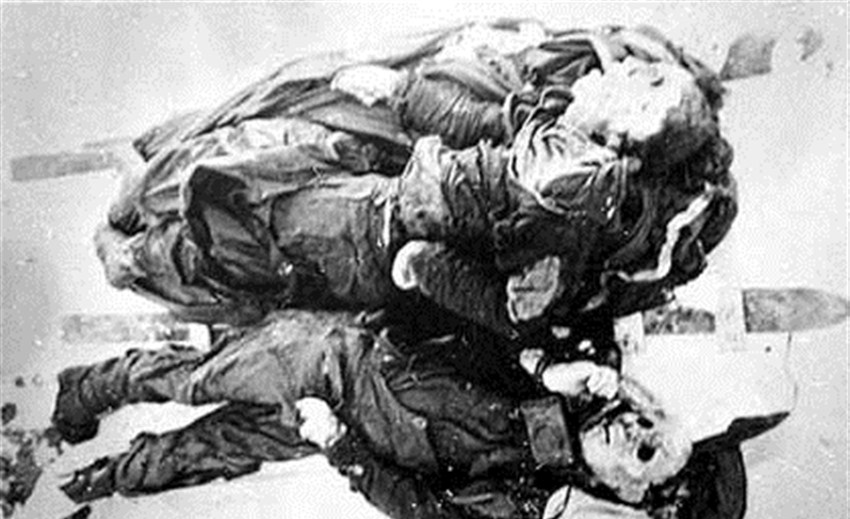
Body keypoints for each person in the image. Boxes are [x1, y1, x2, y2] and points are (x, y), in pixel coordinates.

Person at [95, 21, 736, 335]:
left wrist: (426, 266)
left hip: (372, 229)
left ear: (625, 142)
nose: (621, 74)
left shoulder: (565, 193)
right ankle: (139, 216)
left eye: (639, 89)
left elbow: (514, 305)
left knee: (247, 218)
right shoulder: (563, 139)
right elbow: (485, 121)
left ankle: (130, 251)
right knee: (264, 160)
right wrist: (399, 92)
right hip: (386, 194)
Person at [51, 308, 787, 519]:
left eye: (646, 453)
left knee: (204, 453)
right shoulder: (579, 374)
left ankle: (86, 484)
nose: (633, 431)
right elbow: (474, 322)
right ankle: (79, 395)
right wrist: (539, 365)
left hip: (329, 427)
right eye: (650, 423)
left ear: (631, 491)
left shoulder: (537, 497)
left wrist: (339, 447)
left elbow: (426, 513)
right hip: (337, 355)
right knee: (195, 379)